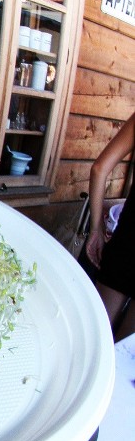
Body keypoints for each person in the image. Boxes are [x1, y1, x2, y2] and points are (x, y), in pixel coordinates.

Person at [86, 111, 134, 341]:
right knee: (125, 354)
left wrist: (95, 229)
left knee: (93, 339)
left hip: (127, 244)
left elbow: (99, 169)